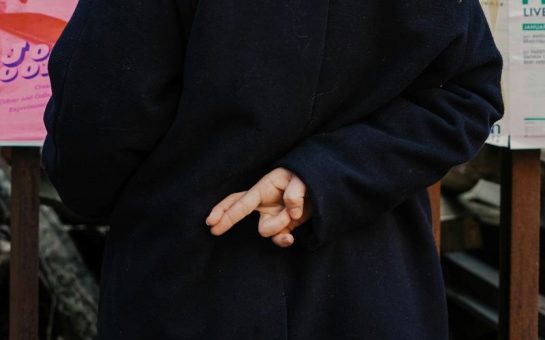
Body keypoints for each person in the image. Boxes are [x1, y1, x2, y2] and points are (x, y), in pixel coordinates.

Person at [41, 0, 504, 338]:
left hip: (190, 283)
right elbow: (465, 93)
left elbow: (94, 131)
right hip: (371, 289)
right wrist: (330, 175)